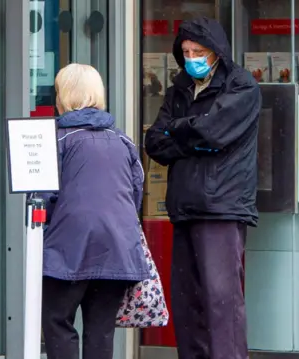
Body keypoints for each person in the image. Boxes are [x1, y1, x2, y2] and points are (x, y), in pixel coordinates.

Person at [144, 17, 261, 359]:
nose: (191, 56)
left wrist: (180, 131)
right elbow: (155, 142)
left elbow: (214, 132)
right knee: (188, 303)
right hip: (184, 206)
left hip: (221, 207)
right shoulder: (180, 87)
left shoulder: (241, 86)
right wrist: (192, 136)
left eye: (198, 51)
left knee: (220, 301)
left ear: (216, 52)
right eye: (186, 51)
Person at [41, 63, 150, 359]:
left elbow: (43, 198)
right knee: (100, 330)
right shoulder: (123, 140)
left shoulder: (57, 139)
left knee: (57, 322)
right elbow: (136, 192)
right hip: (116, 246)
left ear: (63, 96)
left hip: (67, 249)